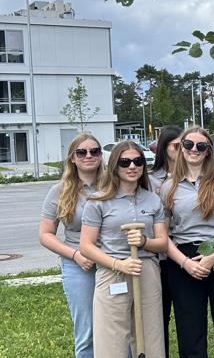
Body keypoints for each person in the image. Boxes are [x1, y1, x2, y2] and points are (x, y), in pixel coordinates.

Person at [160, 127, 214, 358]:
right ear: (181, 149)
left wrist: (212, 257)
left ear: (208, 150)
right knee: (190, 328)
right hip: (183, 258)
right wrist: (185, 263)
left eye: (201, 146)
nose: (194, 150)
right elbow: (163, 235)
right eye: (188, 145)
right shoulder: (168, 186)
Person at [80, 141, 168, 358]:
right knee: (111, 338)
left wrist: (144, 242)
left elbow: (163, 242)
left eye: (138, 161)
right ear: (115, 166)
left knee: (151, 336)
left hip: (145, 269)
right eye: (125, 162)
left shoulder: (153, 200)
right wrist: (119, 264)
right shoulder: (98, 201)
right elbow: (86, 246)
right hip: (113, 271)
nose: (132, 167)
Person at [39, 133, 106, 358]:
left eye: (94, 151)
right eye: (82, 152)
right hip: (79, 266)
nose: (89, 156)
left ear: (101, 155)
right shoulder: (59, 191)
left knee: (117, 326)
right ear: (72, 159)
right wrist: (76, 255)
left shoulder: (114, 185)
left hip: (112, 263)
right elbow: (45, 234)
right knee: (87, 331)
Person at [149, 125, 182, 357]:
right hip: (158, 254)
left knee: (184, 312)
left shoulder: (193, 175)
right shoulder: (151, 180)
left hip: (182, 251)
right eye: (177, 146)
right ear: (165, 147)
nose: (183, 150)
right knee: (159, 315)